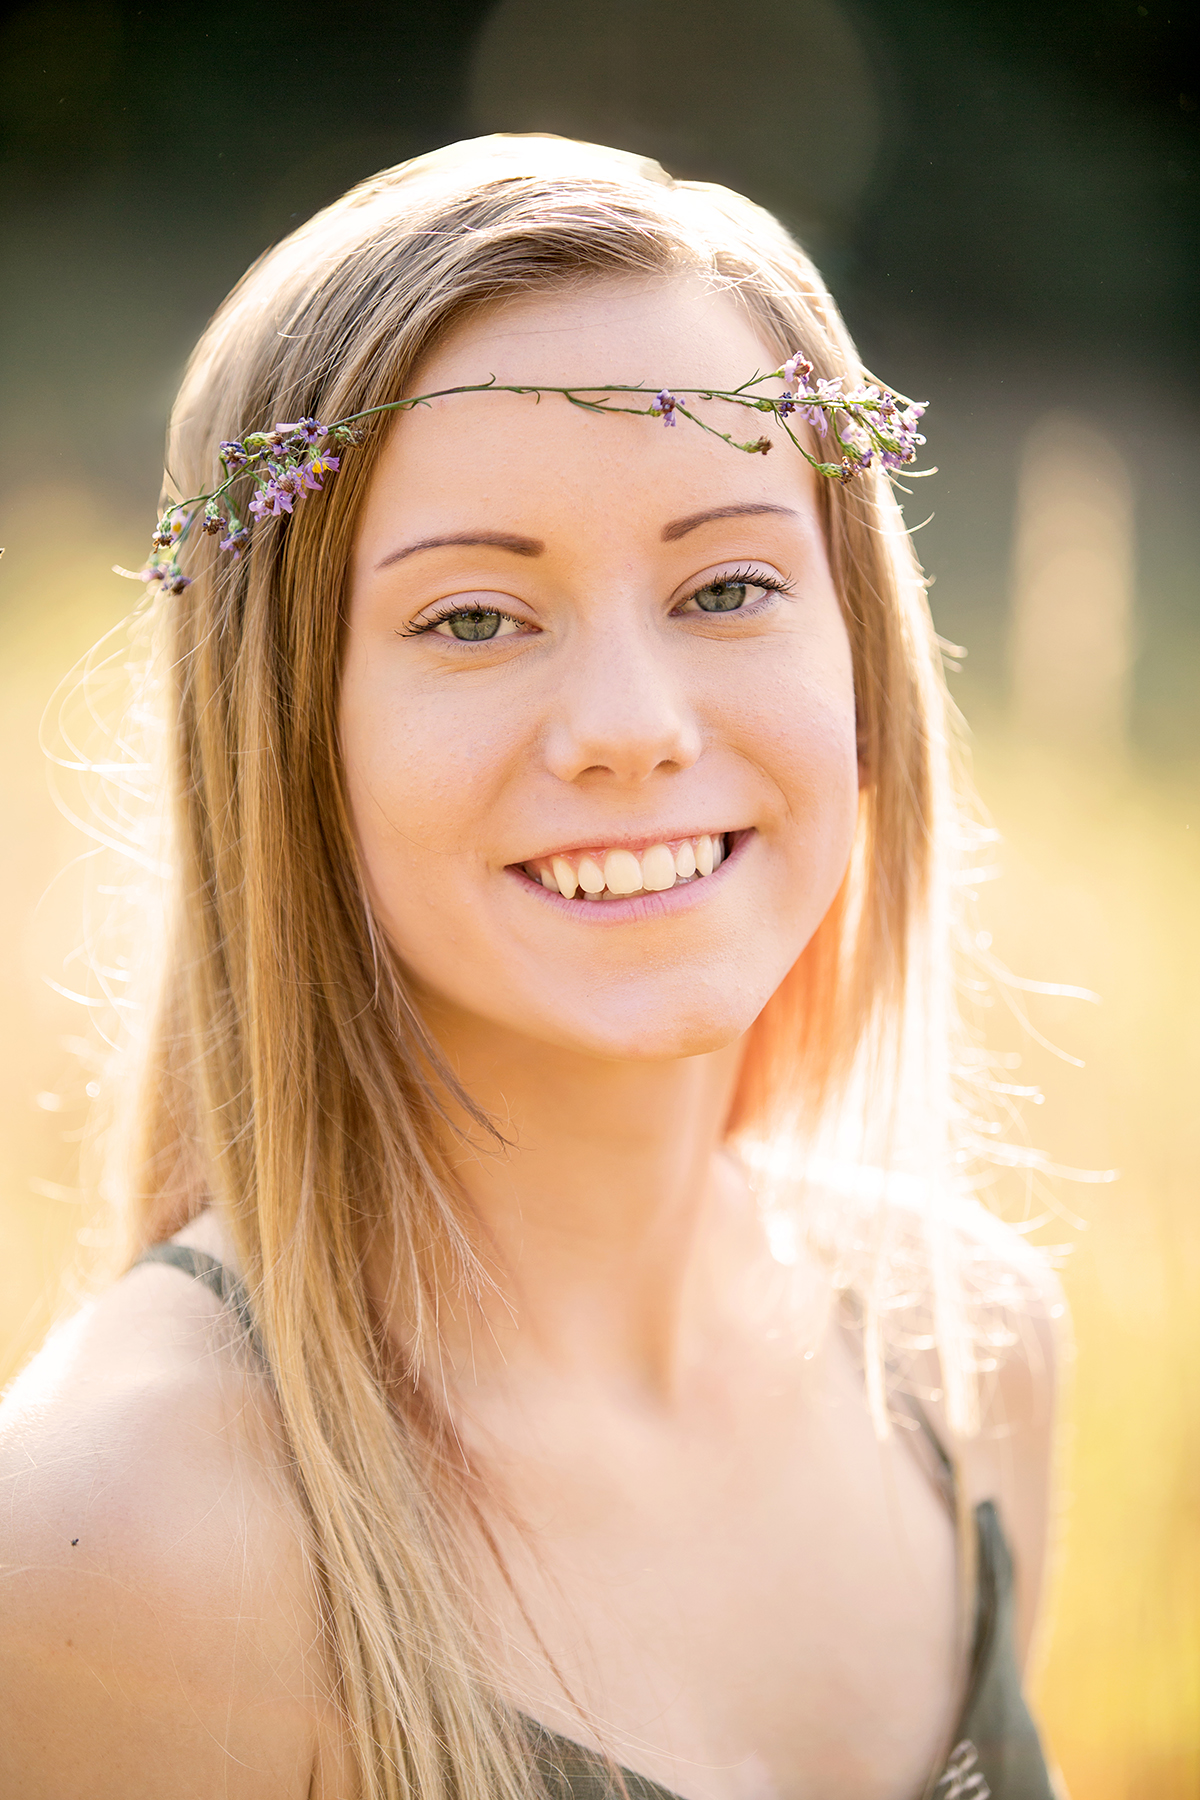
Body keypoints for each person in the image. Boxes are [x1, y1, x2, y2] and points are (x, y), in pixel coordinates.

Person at [0, 136, 1064, 1800]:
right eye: (475, 619)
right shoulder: (112, 1539)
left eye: (728, 585)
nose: (634, 728)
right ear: (286, 733)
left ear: (860, 653)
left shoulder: (968, 1354)